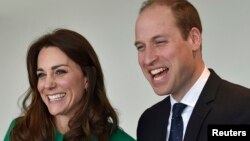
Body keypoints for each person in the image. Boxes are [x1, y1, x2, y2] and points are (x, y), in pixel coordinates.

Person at [134, 0, 250, 141]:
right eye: (141, 47)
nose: (147, 59)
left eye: (160, 42)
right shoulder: (149, 122)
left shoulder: (244, 108)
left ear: (194, 39)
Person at [4, 28, 135, 141]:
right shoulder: (19, 133)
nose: (48, 84)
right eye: (41, 75)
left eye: (60, 72)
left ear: (87, 78)